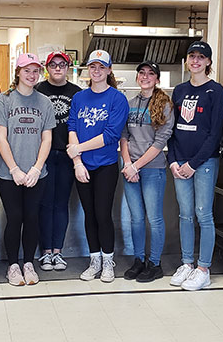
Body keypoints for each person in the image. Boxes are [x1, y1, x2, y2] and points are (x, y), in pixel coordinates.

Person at [168, 41, 223, 291]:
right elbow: (171, 129)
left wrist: (194, 163)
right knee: (185, 214)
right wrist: (173, 161)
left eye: (201, 57)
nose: (195, 61)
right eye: (192, 56)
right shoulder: (179, 90)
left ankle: (204, 268)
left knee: (204, 214)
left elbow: (215, 133)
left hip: (204, 163)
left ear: (208, 62)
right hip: (179, 163)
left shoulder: (215, 90)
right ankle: (187, 263)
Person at [0, 53, 55, 286]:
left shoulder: (44, 102)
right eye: (26, 70)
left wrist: (37, 169)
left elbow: (46, 138)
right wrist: (15, 169)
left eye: (35, 70)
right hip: (8, 174)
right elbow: (1, 137)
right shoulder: (4, 99)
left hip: (37, 173)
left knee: (32, 217)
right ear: (17, 72)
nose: (31, 75)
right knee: (15, 217)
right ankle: (13, 265)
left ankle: (28, 262)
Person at [67, 49, 129, 283]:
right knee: (89, 214)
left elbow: (111, 135)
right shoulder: (79, 98)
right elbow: (72, 127)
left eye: (102, 67)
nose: (97, 71)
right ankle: (94, 261)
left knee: (103, 214)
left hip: (105, 165)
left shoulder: (117, 98)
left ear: (109, 70)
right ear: (87, 70)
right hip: (82, 166)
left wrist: (78, 150)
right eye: (93, 66)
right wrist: (77, 162)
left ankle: (108, 261)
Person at [119, 61, 174, 283]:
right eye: (141, 73)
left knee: (154, 218)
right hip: (129, 170)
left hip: (152, 170)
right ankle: (139, 260)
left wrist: (136, 165)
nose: (145, 76)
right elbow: (123, 136)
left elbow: (160, 142)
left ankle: (155, 263)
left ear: (157, 79)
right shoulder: (130, 103)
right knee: (137, 219)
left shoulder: (165, 105)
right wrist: (126, 164)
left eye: (151, 74)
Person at [36, 51, 81, 271]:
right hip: (42, 156)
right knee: (44, 204)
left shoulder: (77, 93)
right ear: (47, 68)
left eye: (61, 65)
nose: (57, 68)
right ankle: (45, 253)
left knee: (61, 204)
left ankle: (58, 252)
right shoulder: (38, 90)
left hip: (66, 155)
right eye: (53, 65)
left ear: (68, 67)